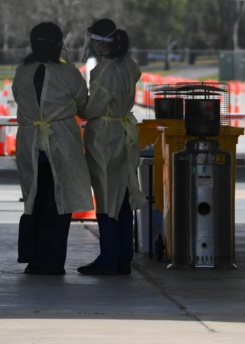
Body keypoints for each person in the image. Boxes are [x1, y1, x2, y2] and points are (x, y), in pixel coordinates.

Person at [14, 22, 92, 275]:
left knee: (33, 202)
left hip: (30, 145)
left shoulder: (22, 71)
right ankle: (52, 261)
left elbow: (18, 97)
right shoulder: (69, 73)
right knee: (59, 206)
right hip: (61, 145)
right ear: (59, 44)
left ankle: (33, 259)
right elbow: (83, 104)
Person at [78, 19, 146, 275]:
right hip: (125, 131)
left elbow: (91, 107)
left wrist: (75, 103)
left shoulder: (103, 71)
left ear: (100, 42)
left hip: (105, 137)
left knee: (107, 198)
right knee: (124, 196)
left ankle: (108, 259)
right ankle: (123, 257)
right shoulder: (130, 65)